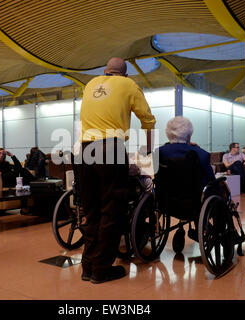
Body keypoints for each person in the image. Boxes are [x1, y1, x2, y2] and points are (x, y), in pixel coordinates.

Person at [78, 57, 155, 284]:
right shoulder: (129, 85)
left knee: (91, 210)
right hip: (109, 148)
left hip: (83, 149)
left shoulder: (90, 84)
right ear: (125, 75)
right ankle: (101, 270)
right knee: (111, 210)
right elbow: (148, 120)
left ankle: (87, 267)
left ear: (104, 71)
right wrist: (148, 151)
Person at [157, 117, 215, 188]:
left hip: (163, 197)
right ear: (189, 136)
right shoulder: (202, 154)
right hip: (196, 197)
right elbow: (211, 181)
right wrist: (197, 148)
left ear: (168, 134)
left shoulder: (158, 153)